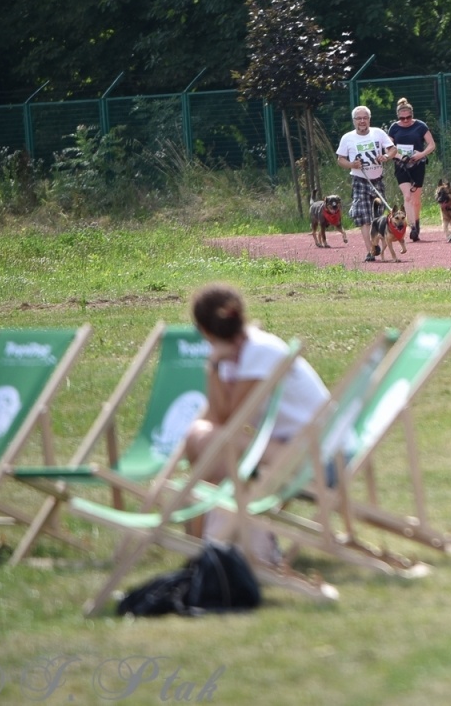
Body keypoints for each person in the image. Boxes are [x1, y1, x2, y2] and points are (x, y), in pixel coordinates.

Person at [183, 284, 329, 562]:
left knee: (205, 442)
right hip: (291, 448)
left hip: (316, 455)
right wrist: (216, 366)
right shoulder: (241, 351)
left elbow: (228, 420)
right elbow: (218, 417)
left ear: (204, 331)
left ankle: (209, 546)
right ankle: (210, 546)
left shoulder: (258, 351)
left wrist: (212, 367)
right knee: (205, 442)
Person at [335, 105, 394, 262]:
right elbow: (340, 159)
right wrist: (352, 164)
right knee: (363, 216)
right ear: (354, 121)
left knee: (378, 216)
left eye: (365, 118)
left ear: (369, 119)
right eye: (359, 118)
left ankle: (378, 243)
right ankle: (371, 250)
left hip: (377, 179)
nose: (362, 121)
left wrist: (386, 157)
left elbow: (392, 149)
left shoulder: (378, 133)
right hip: (360, 180)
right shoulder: (347, 138)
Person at [387, 98, 437, 242]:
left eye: (408, 117)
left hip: (417, 164)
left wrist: (420, 154)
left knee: (415, 199)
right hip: (401, 165)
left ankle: (417, 221)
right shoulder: (394, 128)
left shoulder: (420, 126)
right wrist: (399, 155)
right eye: (402, 118)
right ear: (398, 117)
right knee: (407, 196)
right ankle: (412, 227)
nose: (405, 120)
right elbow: (388, 148)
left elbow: (431, 145)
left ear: (412, 115)